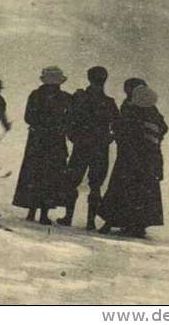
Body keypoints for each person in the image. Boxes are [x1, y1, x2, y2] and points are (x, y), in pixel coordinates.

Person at [98, 80, 168, 238]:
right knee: (143, 192)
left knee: (122, 189)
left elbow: (122, 131)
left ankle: (114, 221)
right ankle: (138, 225)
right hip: (149, 158)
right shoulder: (153, 112)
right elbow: (163, 129)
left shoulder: (130, 108)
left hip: (129, 157)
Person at [59, 66, 120, 229]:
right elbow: (118, 125)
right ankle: (90, 222)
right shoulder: (109, 102)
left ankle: (68, 217)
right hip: (100, 147)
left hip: (82, 144)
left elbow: (69, 118)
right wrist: (108, 138)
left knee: (72, 180)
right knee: (95, 185)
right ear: (105, 80)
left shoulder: (80, 97)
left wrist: (72, 136)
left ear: (89, 78)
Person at [13, 66, 72, 225]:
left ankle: (32, 210)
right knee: (50, 175)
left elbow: (28, 117)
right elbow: (70, 119)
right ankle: (43, 213)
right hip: (54, 141)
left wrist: (42, 124)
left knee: (34, 173)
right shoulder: (64, 98)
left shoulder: (36, 95)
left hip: (37, 140)